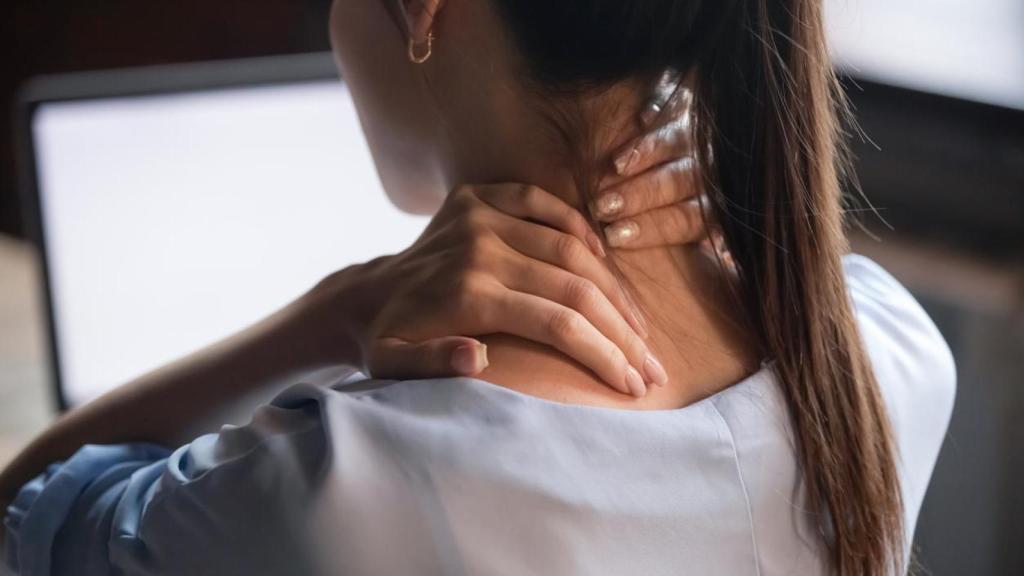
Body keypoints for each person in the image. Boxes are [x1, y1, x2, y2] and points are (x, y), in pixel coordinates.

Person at [1, 0, 956, 574]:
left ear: (421, 8)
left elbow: (23, 514)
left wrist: (332, 315)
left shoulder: (326, 494)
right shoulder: (886, 358)